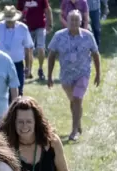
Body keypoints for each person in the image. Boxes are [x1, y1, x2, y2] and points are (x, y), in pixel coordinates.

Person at [47, 9, 101, 141]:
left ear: (81, 22)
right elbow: (52, 55)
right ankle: (78, 123)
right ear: (67, 21)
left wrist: (98, 73)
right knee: (73, 101)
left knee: (77, 99)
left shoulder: (88, 36)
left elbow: (95, 54)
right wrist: (49, 76)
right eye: (72, 20)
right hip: (66, 75)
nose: (74, 22)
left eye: (77, 20)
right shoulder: (59, 36)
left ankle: (74, 130)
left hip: (83, 73)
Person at [0, 5, 34, 98]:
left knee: (18, 92)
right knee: (1, 92)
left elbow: (28, 48)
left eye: (11, 20)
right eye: (8, 20)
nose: (10, 22)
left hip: (17, 64)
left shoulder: (23, 28)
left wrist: (28, 67)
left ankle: (16, 111)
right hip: (0, 64)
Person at [17, 0, 53, 80]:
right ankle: (29, 71)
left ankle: (40, 69)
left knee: (40, 48)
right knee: (28, 49)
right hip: (27, 27)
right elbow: (18, 13)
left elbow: (47, 10)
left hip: (40, 26)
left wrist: (49, 24)